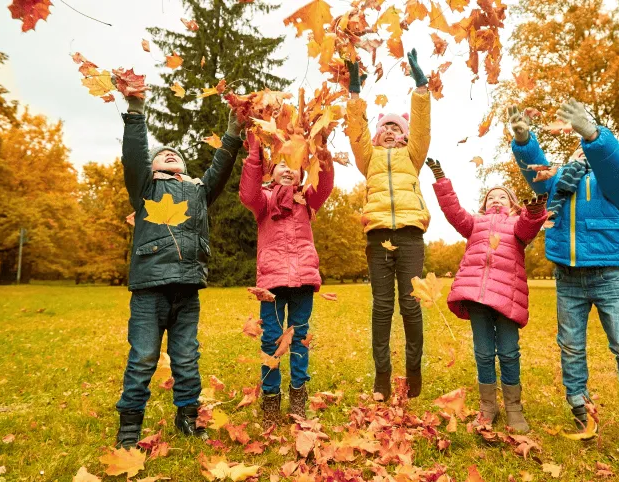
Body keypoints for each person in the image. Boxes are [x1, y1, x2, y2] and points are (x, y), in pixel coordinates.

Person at [509, 99, 619, 453]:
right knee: (571, 347)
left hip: (607, 276)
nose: (580, 147)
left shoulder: (611, 182)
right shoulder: (559, 180)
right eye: (578, 142)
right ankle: (579, 405)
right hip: (567, 278)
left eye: (586, 140)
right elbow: (535, 172)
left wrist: (593, 134)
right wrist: (525, 140)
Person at [114, 89, 245, 448]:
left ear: (185, 169)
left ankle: (188, 417)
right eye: (161, 154)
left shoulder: (199, 192)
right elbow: (134, 156)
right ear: (152, 167)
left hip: (187, 288)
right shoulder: (145, 189)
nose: (169, 153)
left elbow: (220, 169)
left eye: (176, 155)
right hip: (149, 289)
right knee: (142, 358)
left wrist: (233, 133)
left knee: (187, 357)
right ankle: (129, 428)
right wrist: (137, 111)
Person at [426, 158, 547, 432]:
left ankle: (514, 408)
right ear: (483, 205)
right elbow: (454, 211)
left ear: (513, 204)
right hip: (477, 297)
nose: (496, 199)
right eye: (491, 196)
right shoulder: (475, 224)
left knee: (508, 352)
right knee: (483, 353)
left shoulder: (517, 224)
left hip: (507, 298)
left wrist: (535, 210)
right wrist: (441, 179)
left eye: (502, 196)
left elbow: (530, 226)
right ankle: (488, 407)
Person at [344, 49, 432, 400]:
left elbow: (422, 128)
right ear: (377, 136)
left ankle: (413, 373)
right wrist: (354, 95)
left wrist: (421, 88)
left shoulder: (414, 155)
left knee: (410, 304)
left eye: (397, 128)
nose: (391, 132)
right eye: (386, 128)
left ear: (405, 135)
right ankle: (382, 376)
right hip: (379, 234)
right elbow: (356, 133)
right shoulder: (369, 158)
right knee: (382, 306)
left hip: (410, 234)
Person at [238, 133, 334, 425]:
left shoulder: (307, 199)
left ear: (302, 171)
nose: (288, 168)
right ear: (271, 171)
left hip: (304, 279)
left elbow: (325, 184)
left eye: (294, 163)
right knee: (271, 339)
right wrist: (255, 150)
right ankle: (270, 400)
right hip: (272, 283)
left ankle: (298, 397)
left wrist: (321, 149)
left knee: (300, 338)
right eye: (281, 163)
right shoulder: (263, 201)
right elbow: (248, 192)